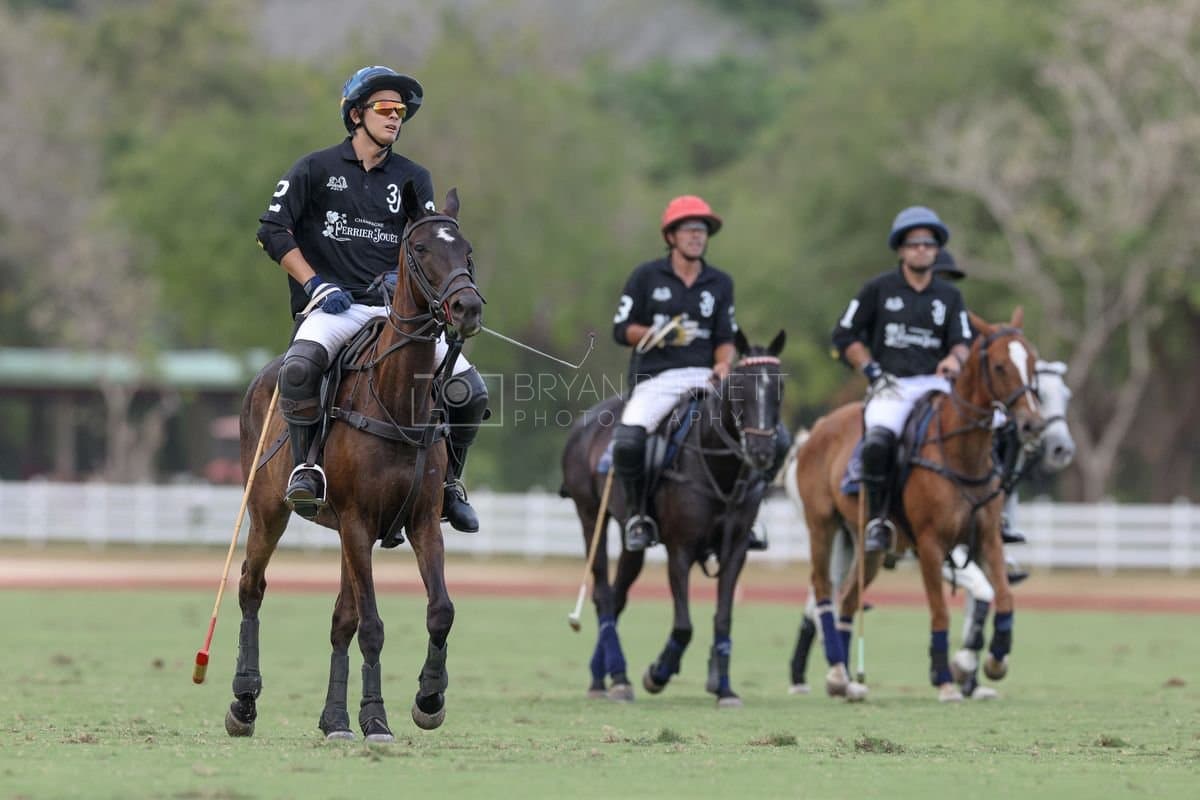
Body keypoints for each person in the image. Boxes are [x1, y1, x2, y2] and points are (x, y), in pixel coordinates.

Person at [255, 65, 487, 532]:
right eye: (385, 109)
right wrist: (315, 284)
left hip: (391, 312)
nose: (395, 118)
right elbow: (271, 231)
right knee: (299, 368)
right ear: (356, 114)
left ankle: (449, 486)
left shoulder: (411, 177)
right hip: (332, 306)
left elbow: (429, 240)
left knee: (470, 391)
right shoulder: (314, 168)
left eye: (401, 111)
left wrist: (418, 287)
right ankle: (307, 469)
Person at [611, 195, 781, 552]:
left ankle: (747, 516)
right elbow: (621, 328)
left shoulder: (720, 282)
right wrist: (656, 334)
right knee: (628, 441)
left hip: (706, 377)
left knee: (771, 436)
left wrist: (723, 364)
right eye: (688, 229)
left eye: (702, 230)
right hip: (657, 378)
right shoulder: (646, 276)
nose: (696, 236)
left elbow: (725, 336)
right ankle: (639, 515)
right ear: (671, 236)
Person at [831, 205, 972, 552]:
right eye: (913, 243)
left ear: (937, 249)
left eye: (928, 242)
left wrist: (954, 360)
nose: (921, 248)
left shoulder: (949, 296)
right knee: (879, 440)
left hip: (936, 386)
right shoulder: (878, 289)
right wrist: (870, 369)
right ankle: (879, 520)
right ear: (901, 249)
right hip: (892, 385)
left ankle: (994, 515)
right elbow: (845, 335)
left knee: (995, 427)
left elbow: (963, 341)